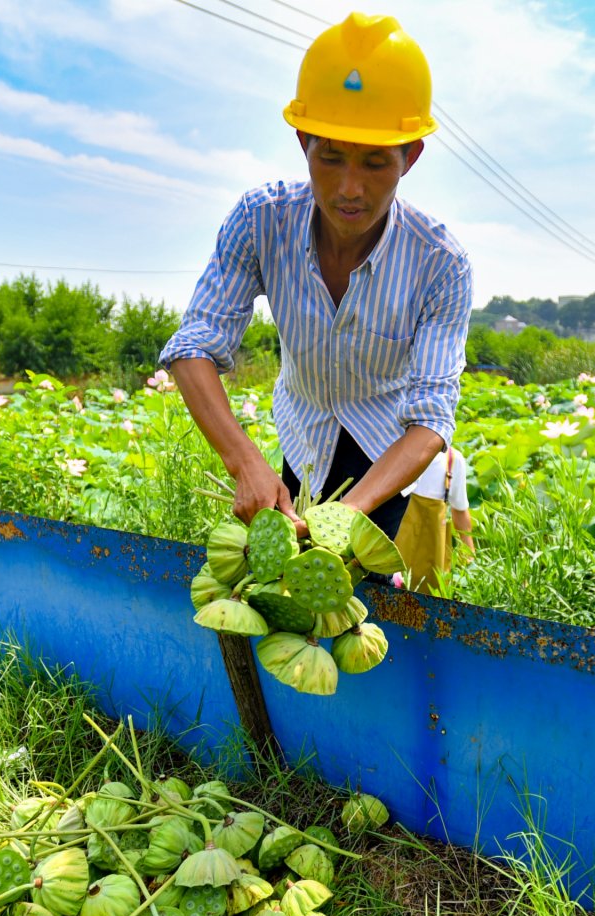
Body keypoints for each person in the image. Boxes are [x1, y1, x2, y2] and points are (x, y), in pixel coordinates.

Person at [158, 12, 471, 544]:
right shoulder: (261, 220)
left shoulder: (440, 263)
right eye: (330, 158)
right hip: (300, 438)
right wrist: (244, 463)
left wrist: (349, 513)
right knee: (281, 591)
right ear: (304, 141)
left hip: (383, 458)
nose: (349, 188)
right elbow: (193, 348)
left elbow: (430, 422)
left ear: (410, 157)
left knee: (359, 606)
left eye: (375, 164)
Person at [394, 444, 474, 594]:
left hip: (429, 555)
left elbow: (460, 512)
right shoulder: (398, 449)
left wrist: (469, 559)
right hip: (394, 549)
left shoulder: (452, 461)